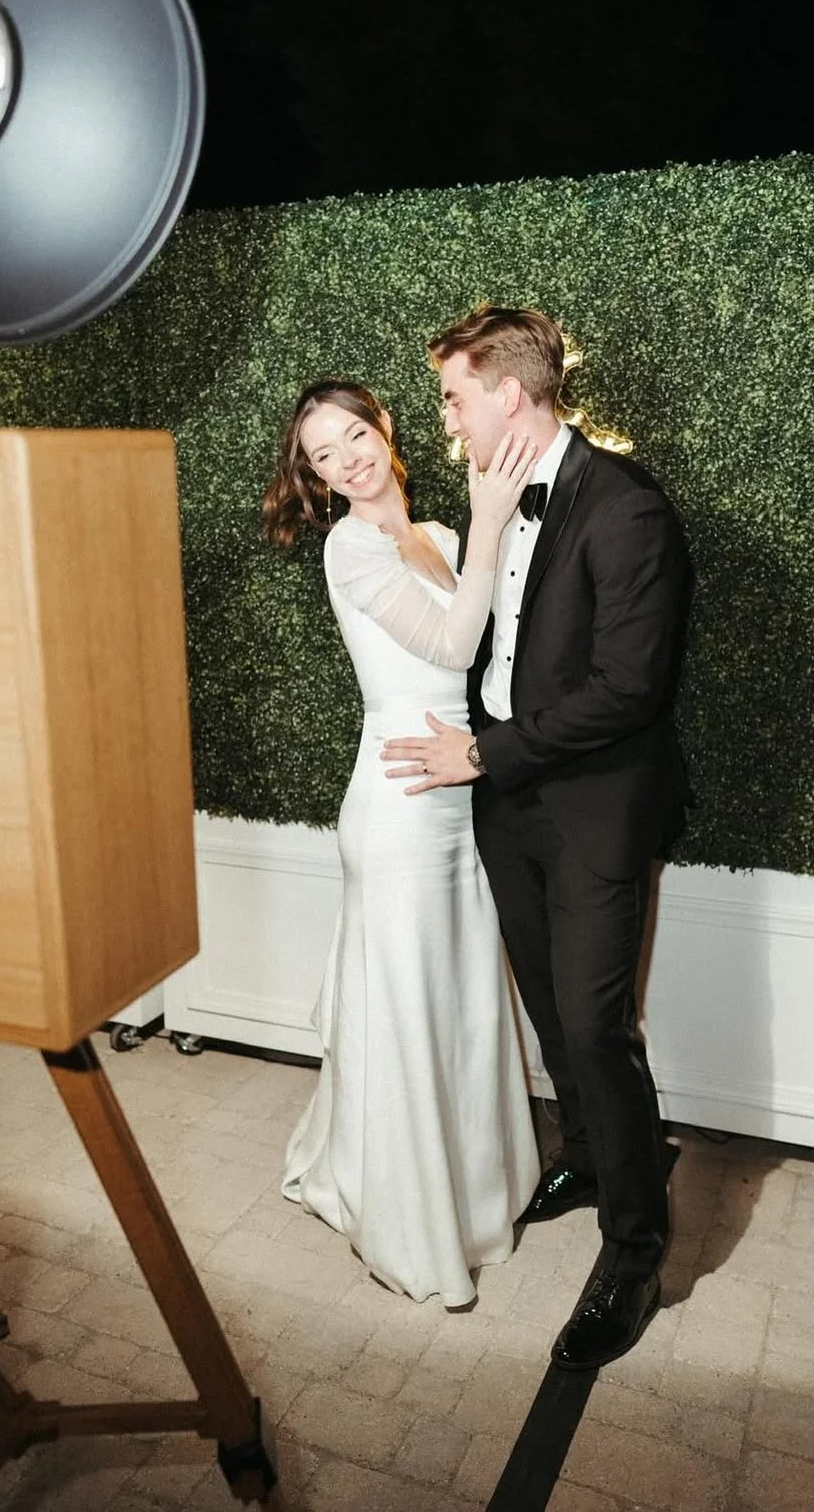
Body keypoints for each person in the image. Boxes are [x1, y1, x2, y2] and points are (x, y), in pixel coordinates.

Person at [382, 306, 690, 1369]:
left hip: (595, 801)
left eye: (455, 396)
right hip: (506, 794)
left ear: (510, 394)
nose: (446, 417)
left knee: (599, 1023)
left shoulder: (626, 509)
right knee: (551, 1002)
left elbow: (626, 690)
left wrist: (484, 756)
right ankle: (602, 1156)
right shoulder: (486, 498)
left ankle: (636, 1252)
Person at [261, 379, 542, 1306]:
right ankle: (410, 1219)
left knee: (457, 995)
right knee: (409, 1003)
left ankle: (471, 1193)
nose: (349, 459)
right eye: (324, 456)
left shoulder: (445, 540)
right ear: (314, 480)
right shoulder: (350, 548)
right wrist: (494, 512)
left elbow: (495, 654)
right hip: (398, 802)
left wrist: (484, 529)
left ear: (383, 427)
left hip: (461, 792)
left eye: (354, 434)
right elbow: (456, 650)